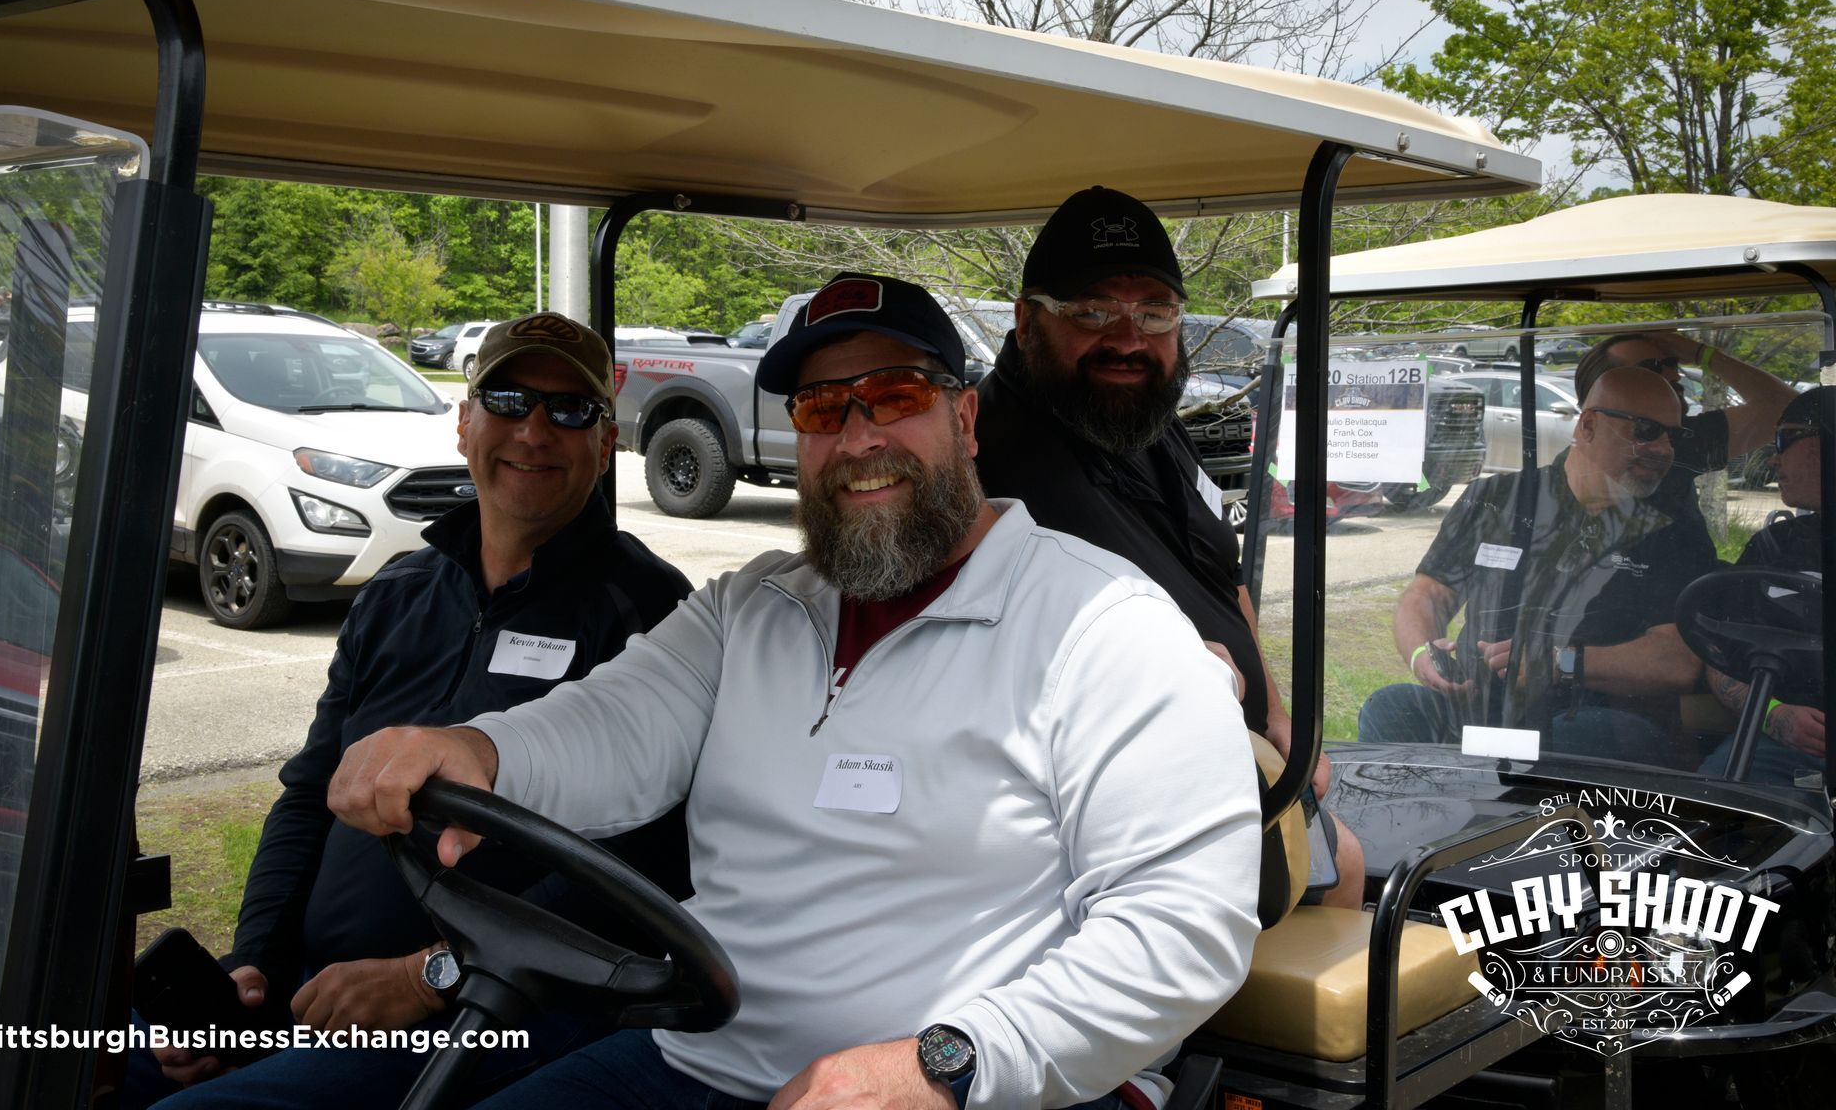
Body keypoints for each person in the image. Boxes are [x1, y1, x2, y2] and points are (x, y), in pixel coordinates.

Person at [328, 273, 1263, 1110]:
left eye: (896, 396)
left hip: (981, 1085)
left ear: (965, 419)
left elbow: (1184, 926)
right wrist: (482, 751)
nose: (859, 437)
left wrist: (944, 1064)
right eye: (822, 409)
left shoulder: (1102, 625)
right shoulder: (750, 608)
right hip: (696, 1057)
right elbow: (612, 725)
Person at [145, 312, 693, 1108]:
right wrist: (252, 966)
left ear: (605, 443)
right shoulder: (398, 593)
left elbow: (640, 869)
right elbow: (309, 793)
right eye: (508, 400)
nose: (534, 430)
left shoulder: (651, 614)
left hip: (487, 1009)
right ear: (465, 422)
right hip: (314, 990)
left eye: (571, 410)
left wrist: (427, 977)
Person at [973, 184, 1363, 908]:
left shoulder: (1143, 419)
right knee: (1345, 871)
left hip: (1237, 751)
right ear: (1026, 322)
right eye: (1092, 312)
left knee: (1346, 869)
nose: (1128, 340)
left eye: (1155, 313)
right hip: (1122, 792)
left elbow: (1223, 579)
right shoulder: (980, 452)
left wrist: (1278, 715)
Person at [1360, 365, 1716, 766]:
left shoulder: (1674, 531)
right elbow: (1428, 594)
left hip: (1598, 717)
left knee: (1578, 736)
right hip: (1480, 707)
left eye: (1674, 436)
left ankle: (1500, 800)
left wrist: (1560, 663)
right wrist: (1422, 654)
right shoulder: (1496, 499)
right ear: (1588, 426)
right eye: (1647, 431)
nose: (1664, 449)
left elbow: (1677, 660)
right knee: (1390, 706)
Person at [1699, 386, 1827, 784]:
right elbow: (1720, 655)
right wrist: (1773, 715)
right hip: (1785, 749)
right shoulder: (1774, 546)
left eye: (1783, 441)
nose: (1773, 458)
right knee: (1715, 800)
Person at [1573, 330, 1795, 504]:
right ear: (1606, 385)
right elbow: (1788, 407)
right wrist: (1702, 355)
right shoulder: (1676, 444)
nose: (1674, 375)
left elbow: (1793, 409)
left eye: (1672, 364)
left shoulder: (1679, 438)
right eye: (1652, 368)